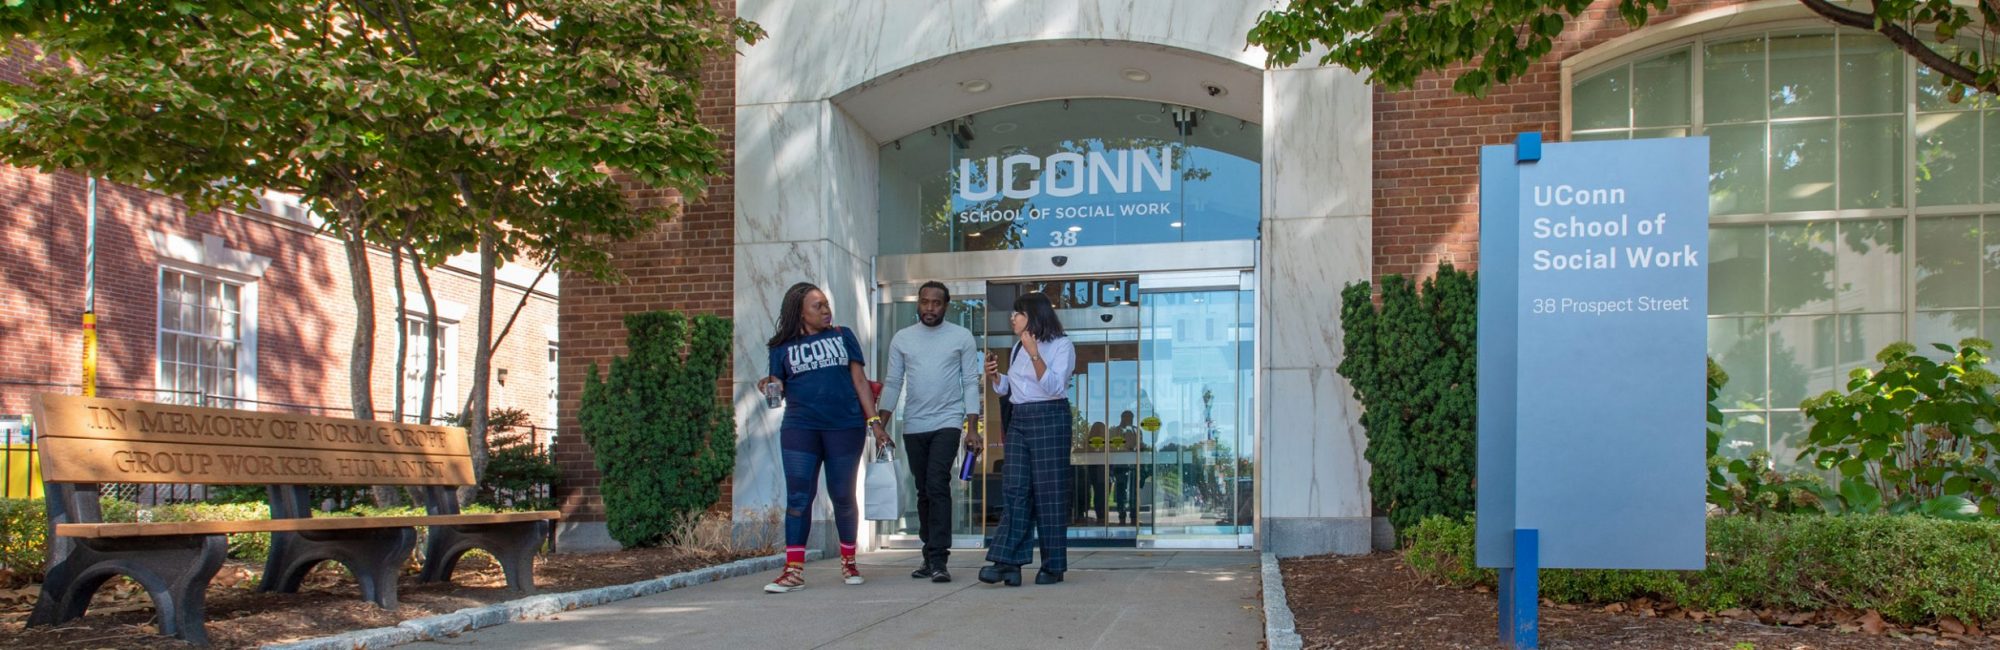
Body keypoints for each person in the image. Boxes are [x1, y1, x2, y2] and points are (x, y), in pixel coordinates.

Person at [757, 282, 890, 593]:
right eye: (818, 306)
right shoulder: (781, 347)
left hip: (844, 426)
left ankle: (849, 562)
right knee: (798, 498)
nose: (826, 310)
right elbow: (780, 384)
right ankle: (793, 571)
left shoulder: (843, 336)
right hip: (800, 427)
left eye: (827, 304)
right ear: (799, 312)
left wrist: (875, 423)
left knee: (843, 496)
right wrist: (768, 383)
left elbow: (858, 380)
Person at [876, 281, 982, 583]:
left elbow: (971, 382)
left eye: (936, 303)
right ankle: (928, 554)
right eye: (925, 302)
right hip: (914, 424)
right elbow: (893, 382)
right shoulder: (903, 339)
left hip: (948, 422)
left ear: (946, 306)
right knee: (923, 490)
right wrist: (880, 424)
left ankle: (939, 560)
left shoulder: (961, 336)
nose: (930, 308)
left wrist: (971, 427)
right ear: (918, 304)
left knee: (937, 484)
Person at [980, 291, 1077, 586]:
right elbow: (1014, 388)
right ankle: (1008, 561)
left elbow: (1053, 387)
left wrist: (1035, 352)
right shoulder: (1016, 349)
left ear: (1033, 316)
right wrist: (997, 378)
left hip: (1050, 416)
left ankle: (1053, 565)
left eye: (1018, 313)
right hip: (1020, 418)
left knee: (1049, 493)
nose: (1012, 318)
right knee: (1015, 488)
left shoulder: (1062, 345)